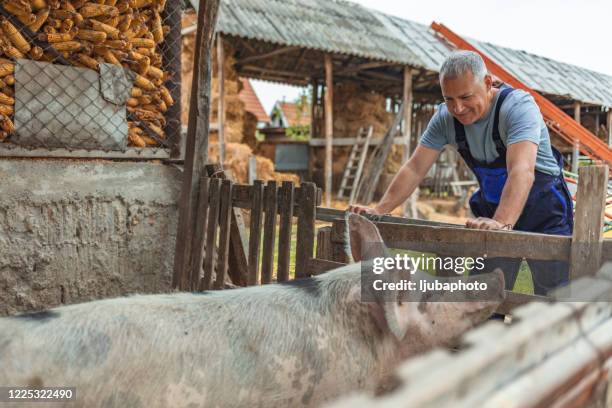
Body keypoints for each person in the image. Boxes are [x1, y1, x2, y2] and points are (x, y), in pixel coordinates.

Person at [350, 50, 573, 295]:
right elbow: (415, 168)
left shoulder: (518, 108)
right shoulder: (445, 118)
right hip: (493, 210)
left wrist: (500, 223)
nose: (458, 107)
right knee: (484, 294)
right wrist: (380, 209)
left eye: (466, 97)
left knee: (554, 295)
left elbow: (521, 170)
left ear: (487, 83)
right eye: (449, 99)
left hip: (543, 211)